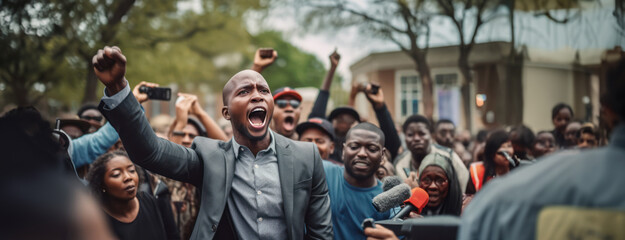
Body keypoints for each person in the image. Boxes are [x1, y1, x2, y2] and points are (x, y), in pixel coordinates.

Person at [91, 46, 332, 239]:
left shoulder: (306, 156)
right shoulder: (208, 157)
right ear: (226, 113)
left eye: (263, 90)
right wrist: (117, 87)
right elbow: (149, 151)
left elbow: (321, 233)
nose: (257, 95)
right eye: (244, 92)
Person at [458, 51, 625, 240]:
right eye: (502, 146)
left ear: (607, 111)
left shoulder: (504, 200)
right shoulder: (485, 181)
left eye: (508, 146)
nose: (505, 151)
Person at [322, 122, 396, 240]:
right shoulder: (324, 173)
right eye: (354, 147)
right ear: (343, 150)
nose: (362, 154)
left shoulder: (390, 200)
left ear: (382, 155)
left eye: (371, 149)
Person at [86, 151, 178, 240]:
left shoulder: (151, 201)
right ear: (101, 184)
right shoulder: (96, 220)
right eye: (116, 174)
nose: (128, 177)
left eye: (131, 170)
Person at [394, 115, 469, 193]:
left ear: (431, 136)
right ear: (404, 137)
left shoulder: (449, 157)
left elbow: (464, 186)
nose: (416, 138)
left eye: (422, 134)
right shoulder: (399, 164)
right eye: (410, 135)